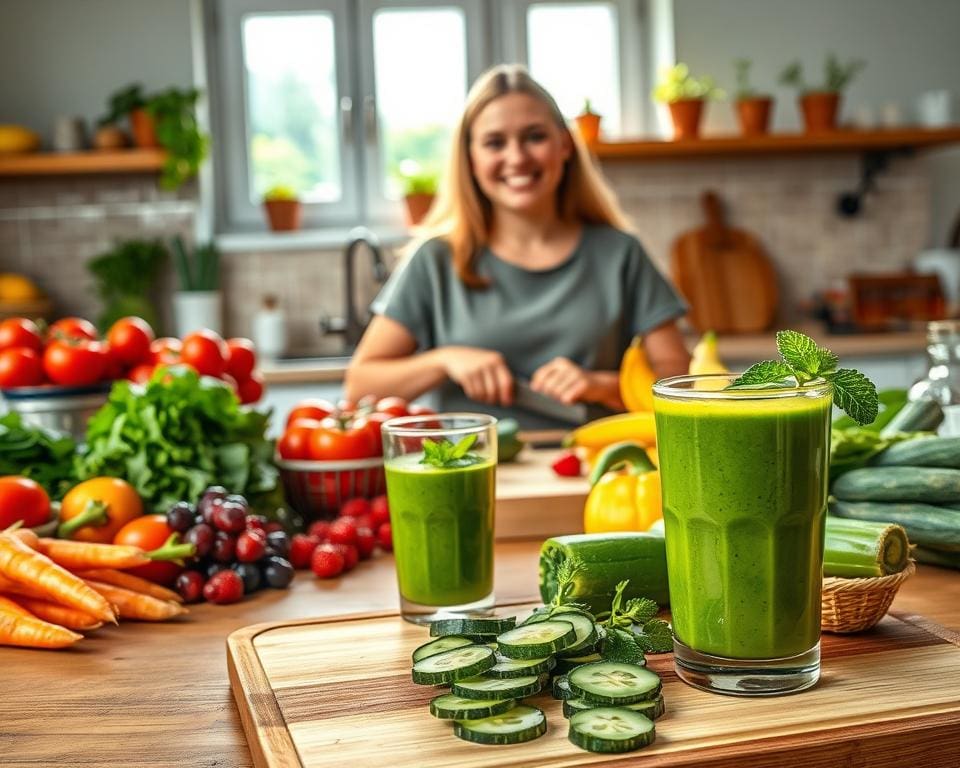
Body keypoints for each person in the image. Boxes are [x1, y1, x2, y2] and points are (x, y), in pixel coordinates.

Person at [345, 64, 690, 428]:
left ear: (565, 145)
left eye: (534, 137)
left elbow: (681, 382)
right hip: (474, 469)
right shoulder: (434, 259)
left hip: (600, 465)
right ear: (471, 159)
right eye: (495, 142)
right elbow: (359, 387)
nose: (517, 157)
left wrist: (602, 386)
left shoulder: (620, 254)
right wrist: (444, 360)